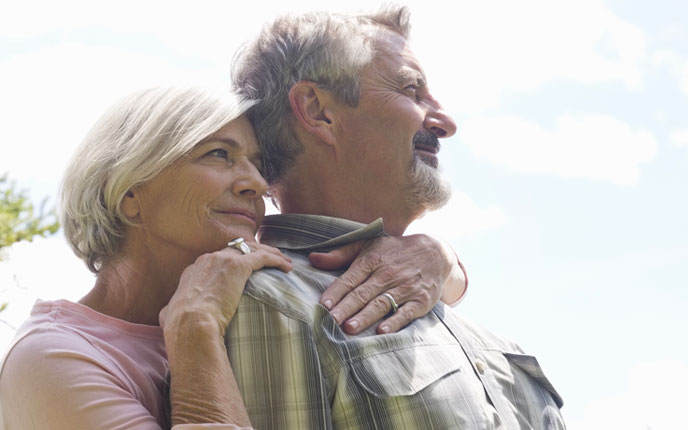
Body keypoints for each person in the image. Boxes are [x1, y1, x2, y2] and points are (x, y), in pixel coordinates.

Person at [0, 87, 466, 430]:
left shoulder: (251, 292)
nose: (255, 183)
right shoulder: (52, 360)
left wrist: (434, 254)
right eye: (218, 154)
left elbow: (443, 283)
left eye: (257, 163)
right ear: (129, 193)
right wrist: (194, 328)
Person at [223, 5, 565, 429]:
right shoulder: (272, 302)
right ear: (317, 110)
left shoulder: (457, 309)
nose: (445, 122)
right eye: (411, 91)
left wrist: (441, 257)